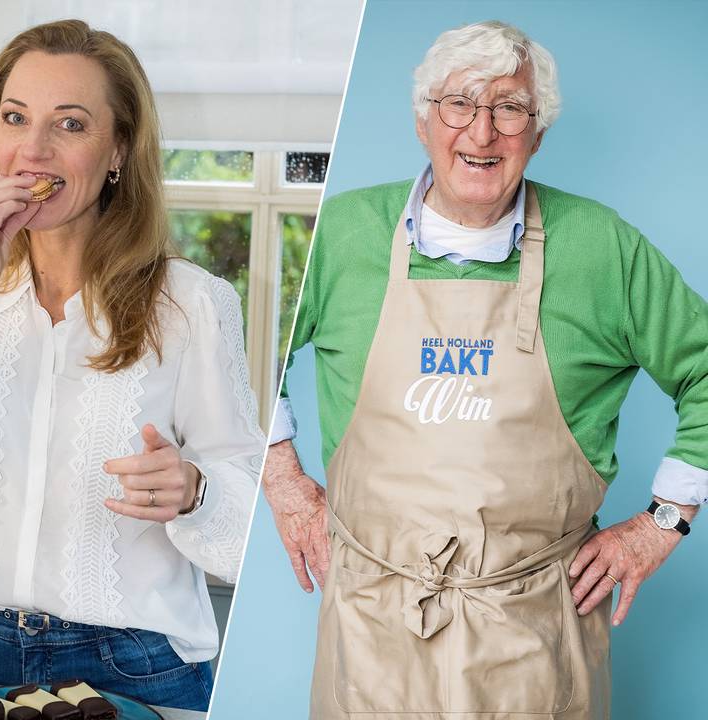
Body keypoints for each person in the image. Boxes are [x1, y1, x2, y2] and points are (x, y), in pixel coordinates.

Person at [263, 20, 705, 719]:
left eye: (510, 108)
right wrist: (283, 481)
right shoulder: (341, 233)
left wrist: (663, 521)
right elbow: (248, 344)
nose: (481, 131)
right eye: (459, 103)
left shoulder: (601, 248)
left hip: (537, 636)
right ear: (422, 120)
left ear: (538, 132)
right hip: (370, 627)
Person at [0, 19, 263, 712]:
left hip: (133, 662)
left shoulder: (192, 304)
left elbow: (252, 524)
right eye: (15, 118)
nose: (32, 152)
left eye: (69, 124)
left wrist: (197, 491)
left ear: (118, 150)